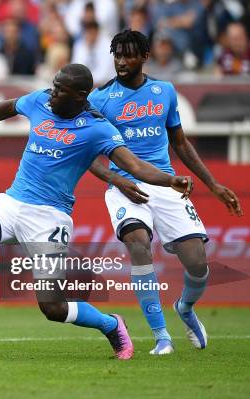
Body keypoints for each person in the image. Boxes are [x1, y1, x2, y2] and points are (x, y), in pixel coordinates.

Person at [0, 63, 194, 360]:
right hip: (11, 204)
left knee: (53, 307)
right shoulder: (41, 100)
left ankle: (111, 324)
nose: (52, 92)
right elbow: (8, 107)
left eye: (60, 89)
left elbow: (135, 166)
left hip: (49, 218)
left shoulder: (98, 128)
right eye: (53, 85)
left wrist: (170, 179)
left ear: (79, 96)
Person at [87, 30, 243, 355]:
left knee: (198, 263)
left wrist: (213, 185)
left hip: (165, 183)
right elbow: (85, 153)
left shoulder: (164, 91)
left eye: (128, 55)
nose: (121, 61)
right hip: (125, 187)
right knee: (138, 245)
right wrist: (117, 181)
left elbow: (180, 142)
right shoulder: (100, 100)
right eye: (117, 54)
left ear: (145, 56)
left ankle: (184, 307)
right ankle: (161, 337)